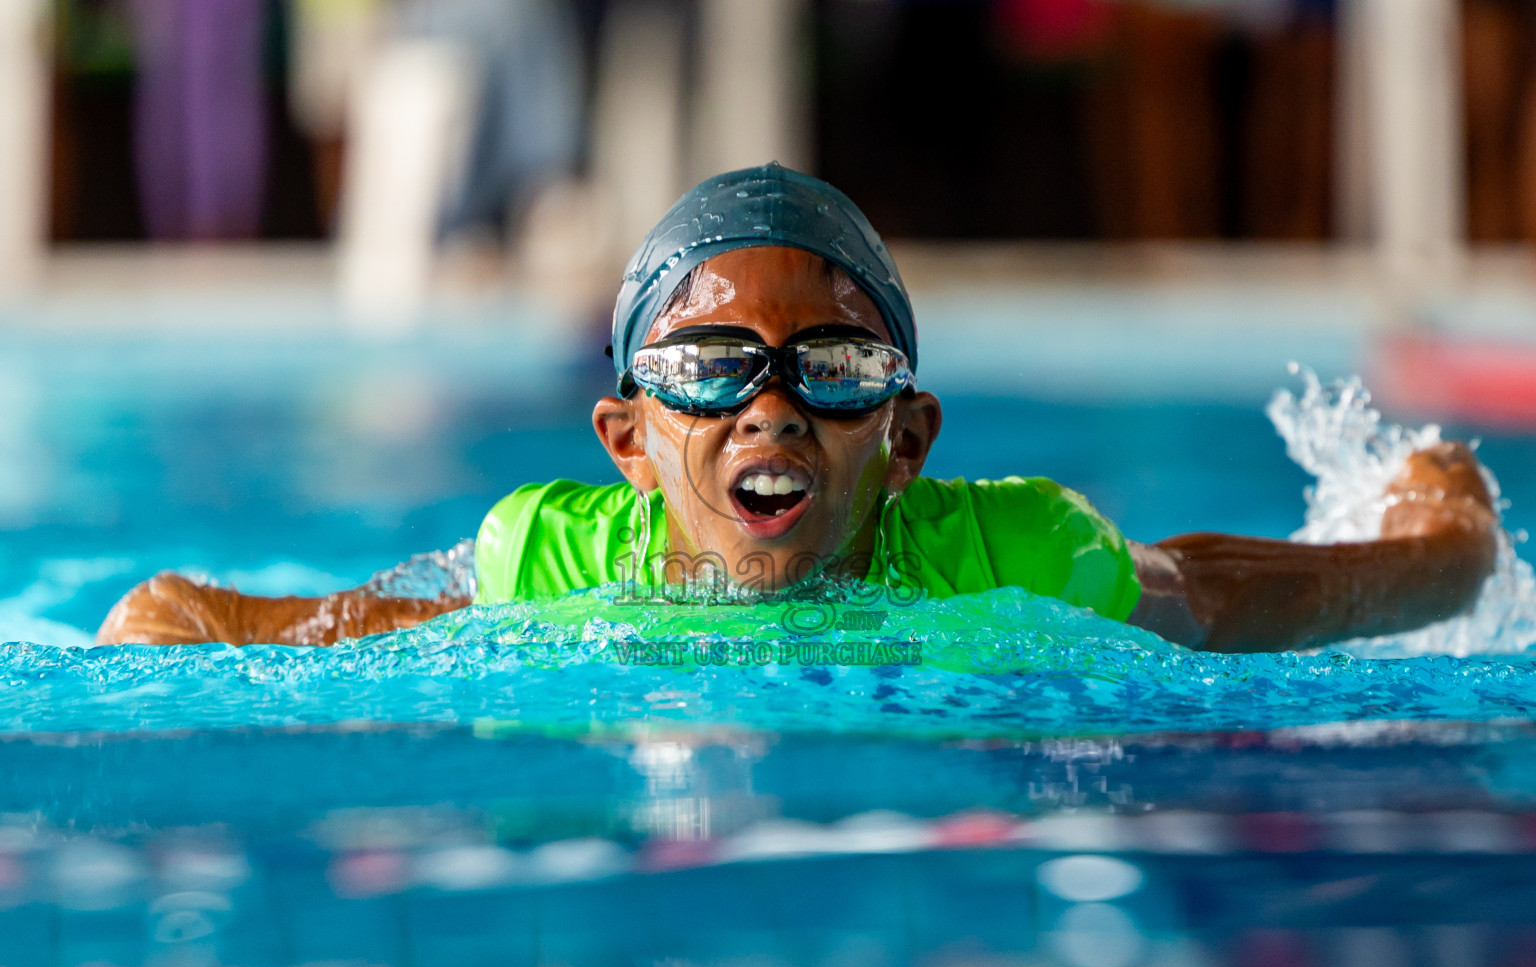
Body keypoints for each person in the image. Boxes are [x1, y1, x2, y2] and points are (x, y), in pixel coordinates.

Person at [96, 164, 1499, 653]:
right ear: (629, 443)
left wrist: (1443, 544)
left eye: (831, 369)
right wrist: (173, 622)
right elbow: (273, 627)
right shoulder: (552, 562)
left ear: (906, 441)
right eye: (707, 370)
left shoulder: (1015, 557)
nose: (767, 409)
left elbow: (1231, 594)